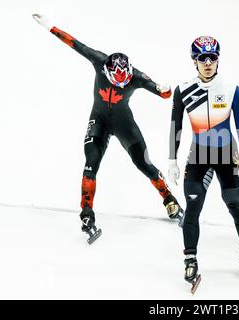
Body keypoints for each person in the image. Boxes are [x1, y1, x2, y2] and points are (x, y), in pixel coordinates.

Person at [32, 14, 183, 244]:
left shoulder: (135, 76)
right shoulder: (99, 60)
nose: (122, 84)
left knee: (144, 163)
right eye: (117, 81)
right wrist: (49, 26)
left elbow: (163, 93)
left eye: (125, 82)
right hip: (100, 121)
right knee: (90, 164)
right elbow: (75, 44)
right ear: (107, 72)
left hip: (124, 124)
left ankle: (170, 200)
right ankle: (86, 214)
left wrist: (164, 90)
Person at [168, 36, 239, 291]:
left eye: (213, 58)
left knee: (234, 204)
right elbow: (176, 125)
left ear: (218, 59)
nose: (208, 63)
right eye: (202, 59)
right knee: (193, 207)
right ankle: (190, 259)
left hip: (226, 156)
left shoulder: (231, 88)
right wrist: (172, 159)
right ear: (193, 61)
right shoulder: (183, 89)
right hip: (199, 156)